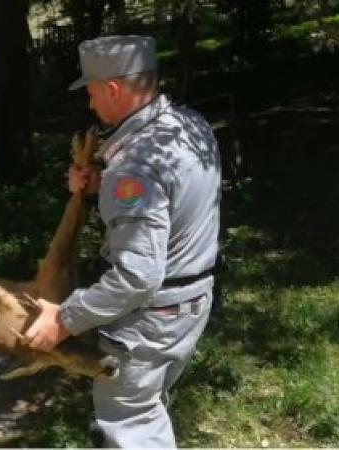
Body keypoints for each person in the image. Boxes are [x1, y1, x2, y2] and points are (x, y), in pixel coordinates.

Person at [21, 35, 220, 448]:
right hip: (192, 304)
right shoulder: (188, 126)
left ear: (113, 88)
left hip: (150, 320)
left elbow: (137, 277)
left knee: (130, 423)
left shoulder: (134, 167)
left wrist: (64, 319)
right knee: (148, 404)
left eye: (93, 93)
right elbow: (174, 197)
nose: (91, 104)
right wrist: (100, 185)